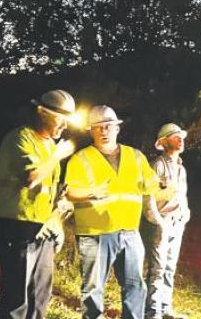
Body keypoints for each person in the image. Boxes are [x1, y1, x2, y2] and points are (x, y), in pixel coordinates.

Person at [0, 89, 77, 319]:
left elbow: (49, 191)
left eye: (68, 121)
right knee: (17, 297)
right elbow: (32, 178)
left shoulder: (49, 145)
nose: (65, 126)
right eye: (61, 119)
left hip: (43, 228)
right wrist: (58, 155)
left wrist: (58, 218)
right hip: (16, 227)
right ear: (42, 113)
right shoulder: (20, 138)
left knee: (40, 295)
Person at [65, 105, 158, 319]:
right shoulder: (80, 159)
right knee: (93, 289)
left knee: (135, 286)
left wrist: (167, 189)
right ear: (91, 131)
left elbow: (151, 185)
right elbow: (69, 191)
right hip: (95, 234)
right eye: (98, 127)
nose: (104, 131)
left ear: (117, 128)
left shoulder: (135, 156)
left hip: (129, 232)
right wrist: (90, 193)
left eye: (108, 126)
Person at [141, 123, 191, 319]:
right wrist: (157, 222)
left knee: (170, 266)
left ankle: (165, 307)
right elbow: (149, 197)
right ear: (163, 142)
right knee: (157, 268)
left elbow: (182, 195)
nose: (180, 139)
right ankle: (152, 311)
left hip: (176, 222)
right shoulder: (158, 165)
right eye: (174, 136)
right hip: (160, 223)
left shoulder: (181, 168)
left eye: (181, 136)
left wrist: (185, 214)